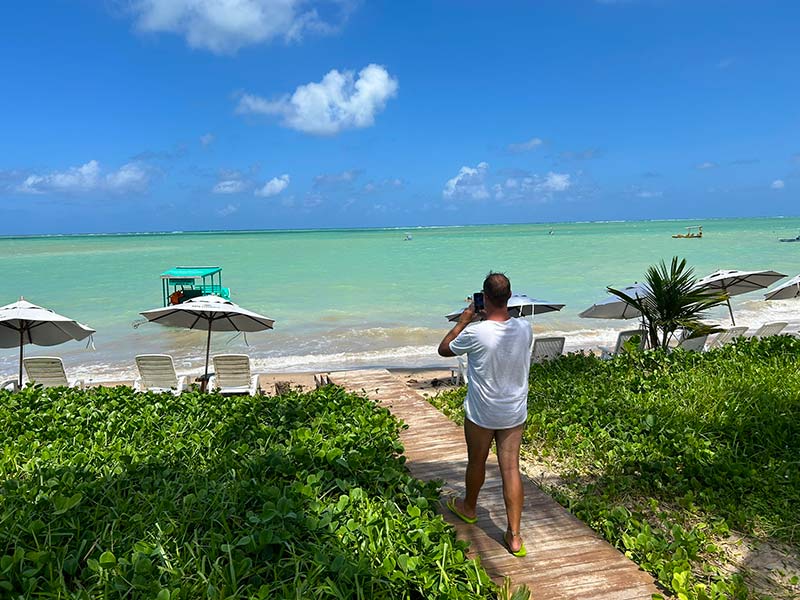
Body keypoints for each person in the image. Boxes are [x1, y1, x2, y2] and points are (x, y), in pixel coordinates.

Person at [437, 272, 532, 557]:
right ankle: (515, 537)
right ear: (509, 297)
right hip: (513, 411)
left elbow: (444, 350)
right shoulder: (526, 329)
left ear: (484, 298)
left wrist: (466, 319)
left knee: (476, 462)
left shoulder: (476, 332)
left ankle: (469, 507)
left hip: (482, 412)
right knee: (510, 470)